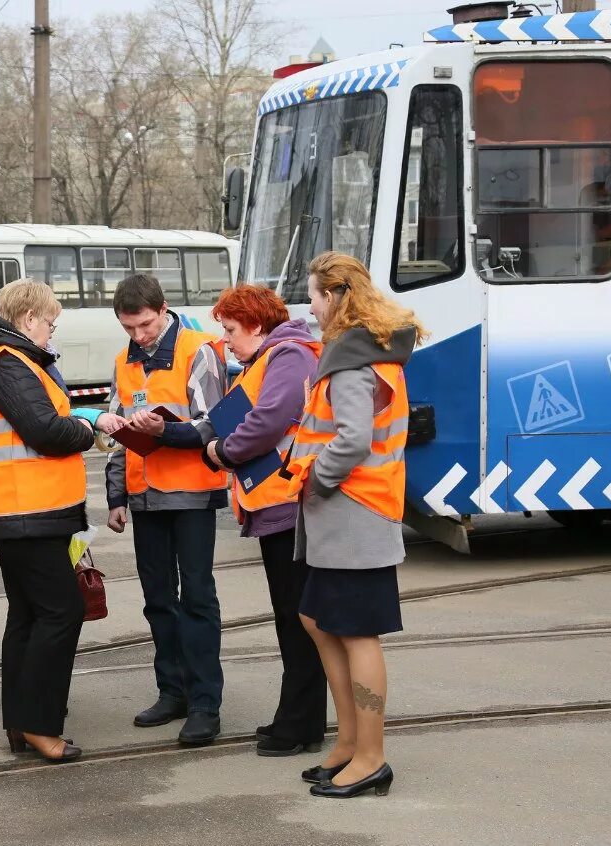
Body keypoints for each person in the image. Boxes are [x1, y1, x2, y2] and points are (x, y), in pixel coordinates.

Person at [0, 280, 123, 763]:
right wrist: (89, 428)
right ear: (29, 319)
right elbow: (46, 431)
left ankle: (22, 721)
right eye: (51, 322)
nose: (53, 331)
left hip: (24, 509)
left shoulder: (7, 359)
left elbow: (42, 420)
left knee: (30, 615)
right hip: (25, 510)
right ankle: (38, 725)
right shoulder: (5, 361)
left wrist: (79, 418)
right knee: (60, 611)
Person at [285, 251, 425, 799]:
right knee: (318, 618)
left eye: (315, 296)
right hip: (351, 512)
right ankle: (350, 742)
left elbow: (352, 439)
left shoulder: (350, 359)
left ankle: (369, 757)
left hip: (353, 511)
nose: (311, 306)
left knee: (355, 632)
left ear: (335, 297)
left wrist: (316, 480)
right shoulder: (368, 351)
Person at [105, 274, 228, 746]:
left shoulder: (199, 349)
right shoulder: (124, 360)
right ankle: (171, 691)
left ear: (164, 308)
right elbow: (118, 431)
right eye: (129, 328)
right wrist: (116, 496)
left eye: (146, 324)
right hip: (143, 497)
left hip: (192, 494)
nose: (139, 336)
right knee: (158, 598)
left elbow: (212, 424)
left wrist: (162, 431)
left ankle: (204, 704)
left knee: (197, 597)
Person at [204, 285, 325, 757]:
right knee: (292, 619)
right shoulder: (274, 357)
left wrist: (223, 452)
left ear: (256, 324)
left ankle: (298, 726)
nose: (228, 341)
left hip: (288, 505)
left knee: (297, 621)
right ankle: (296, 719)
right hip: (278, 505)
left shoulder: (288, 356)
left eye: (231, 330)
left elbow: (270, 418)